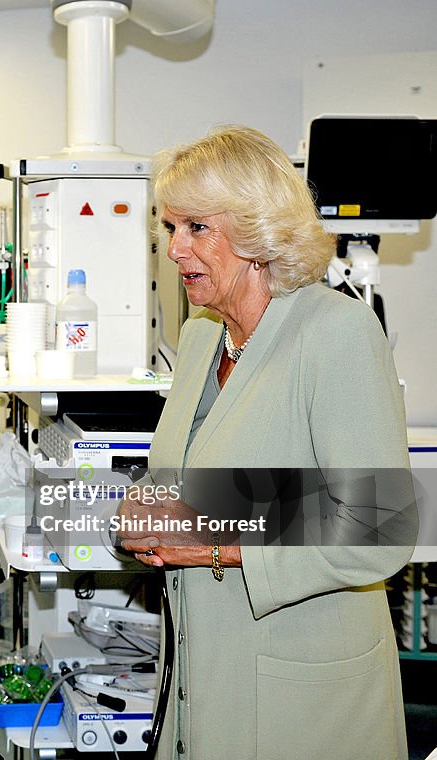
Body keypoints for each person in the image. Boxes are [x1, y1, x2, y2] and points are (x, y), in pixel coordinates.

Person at [114, 125, 415, 759]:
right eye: (169, 228)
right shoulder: (201, 337)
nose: (173, 250)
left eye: (196, 227)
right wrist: (142, 506)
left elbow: (380, 527)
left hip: (304, 692)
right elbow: (194, 475)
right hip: (203, 673)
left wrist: (213, 545)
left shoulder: (335, 331)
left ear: (257, 232)